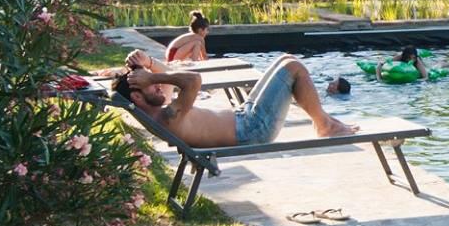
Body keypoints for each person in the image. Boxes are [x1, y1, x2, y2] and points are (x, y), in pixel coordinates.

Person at [115, 54, 357, 146]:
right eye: (151, 85)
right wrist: (150, 77)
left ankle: (324, 120)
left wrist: (148, 63)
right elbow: (193, 80)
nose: (157, 84)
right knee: (293, 67)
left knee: (286, 58)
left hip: (244, 116)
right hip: (252, 129)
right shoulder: (168, 118)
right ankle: (324, 124)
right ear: (137, 96)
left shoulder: (158, 109)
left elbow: (166, 75)